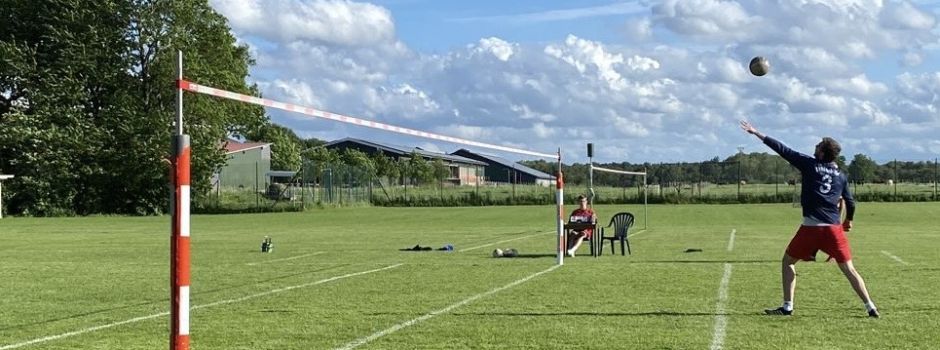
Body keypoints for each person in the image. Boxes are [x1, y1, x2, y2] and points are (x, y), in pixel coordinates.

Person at [740, 121, 878, 317]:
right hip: (833, 229)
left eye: (818, 145)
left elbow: (783, 150)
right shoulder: (841, 175)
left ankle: (787, 306)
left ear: (822, 153)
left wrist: (757, 133)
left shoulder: (810, 164)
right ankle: (870, 306)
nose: (815, 146)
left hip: (811, 228)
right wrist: (849, 220)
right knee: (849, 270)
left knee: (788, 261)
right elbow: (851, 202)